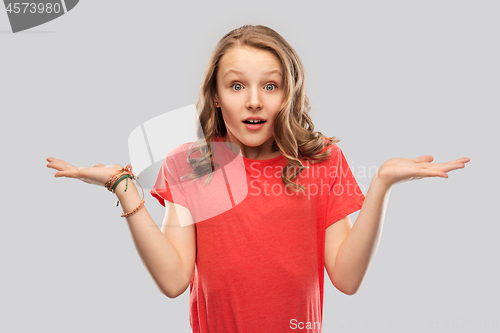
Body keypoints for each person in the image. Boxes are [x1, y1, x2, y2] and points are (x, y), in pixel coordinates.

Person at [46, 25, 470, 332]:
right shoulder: (195, 164)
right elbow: (174, 279)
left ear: (289, 94)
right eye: (236, 86)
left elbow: (346, 277)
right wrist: (123, 188)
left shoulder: (320, 161)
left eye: (270, 86)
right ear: (215, 94)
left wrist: (380, 185)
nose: (253, 101)